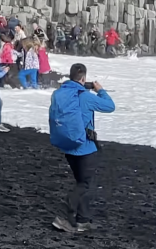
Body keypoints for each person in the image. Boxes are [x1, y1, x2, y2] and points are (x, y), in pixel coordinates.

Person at [50, 63, 115, 233]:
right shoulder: (85, 96)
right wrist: (100, 89)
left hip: (68, 146)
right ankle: (63, 216)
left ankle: (82, 220)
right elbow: (110, 106)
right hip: (85, 148)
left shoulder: (60, 93)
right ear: (84, 78)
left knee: (82, 182)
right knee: (86, 184)